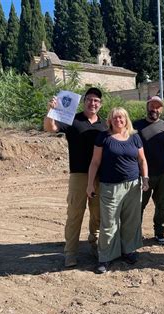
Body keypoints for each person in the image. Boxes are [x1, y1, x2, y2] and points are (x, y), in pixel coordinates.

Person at [44, 87, 107, 268]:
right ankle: (70, 253)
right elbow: (51, 128)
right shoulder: (72, 119)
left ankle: (94, 246)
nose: (92, 103)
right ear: (84, 101)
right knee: (75, 214)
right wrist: (51, 111)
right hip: (79, 175)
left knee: (97, 215)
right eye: (89, 99)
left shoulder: (104, 125)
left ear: (100, 104)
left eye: (96, 100)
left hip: (99, 177)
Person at [87, 107, 149, 274]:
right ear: (110, 120)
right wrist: (90, 184)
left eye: (121, 117)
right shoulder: (103, 137)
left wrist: (145, 179)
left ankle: (128, 251)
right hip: (110, 187)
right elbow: (95, 162)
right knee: (109, 223)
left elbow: (142, 160)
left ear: (126, 119)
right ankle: (105, 257)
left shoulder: (135, 137)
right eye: (115, 118)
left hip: (133, 186)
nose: (118, 120)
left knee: (131, 221)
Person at [133, 96, 164, 245]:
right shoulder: (136, 126)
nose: (154, 109)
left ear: (161, 109)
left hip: (163, 175)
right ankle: (135, 234)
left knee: (162, 204)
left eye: (157, 106)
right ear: (147, 107)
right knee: (139, 205)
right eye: (152, 105)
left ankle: (159, 232)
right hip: (143, 175)